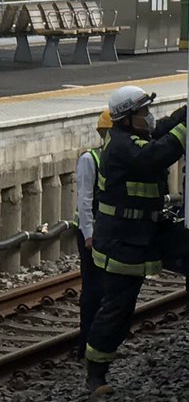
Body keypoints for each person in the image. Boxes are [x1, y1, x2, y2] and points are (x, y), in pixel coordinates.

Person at [84, 85, 189, 394]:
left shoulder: (137, 135)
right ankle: (96, 374)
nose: (148, 117)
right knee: (119, 308)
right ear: (127, 119)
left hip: (150, 232)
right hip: (123, 241)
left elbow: (165, 127)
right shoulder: (121, 146)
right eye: (143, 112)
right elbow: (159, 153)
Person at [74, 109, 112, 358]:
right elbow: (84, 200)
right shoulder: (91, 159)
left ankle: (101, 339)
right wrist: (89, 234)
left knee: (110, 288)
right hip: (94, 233)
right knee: (93, 289)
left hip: (110, 231)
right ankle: (86, 343)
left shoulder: (121, 158)